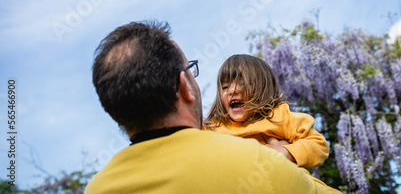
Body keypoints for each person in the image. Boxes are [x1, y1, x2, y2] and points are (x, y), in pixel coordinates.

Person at [85, 21, 341, 194]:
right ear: (185, 85)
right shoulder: (262, 167)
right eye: (190, 69)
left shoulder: (97, 188)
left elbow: (315, 144)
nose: (232, 92)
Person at [204, 54, 329, 169]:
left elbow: (318, 144)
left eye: (242, 84)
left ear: (262, 89)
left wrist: (287, 152)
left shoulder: (277, 115)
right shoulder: (213, 126)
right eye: (225, 87)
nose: (232, 91)